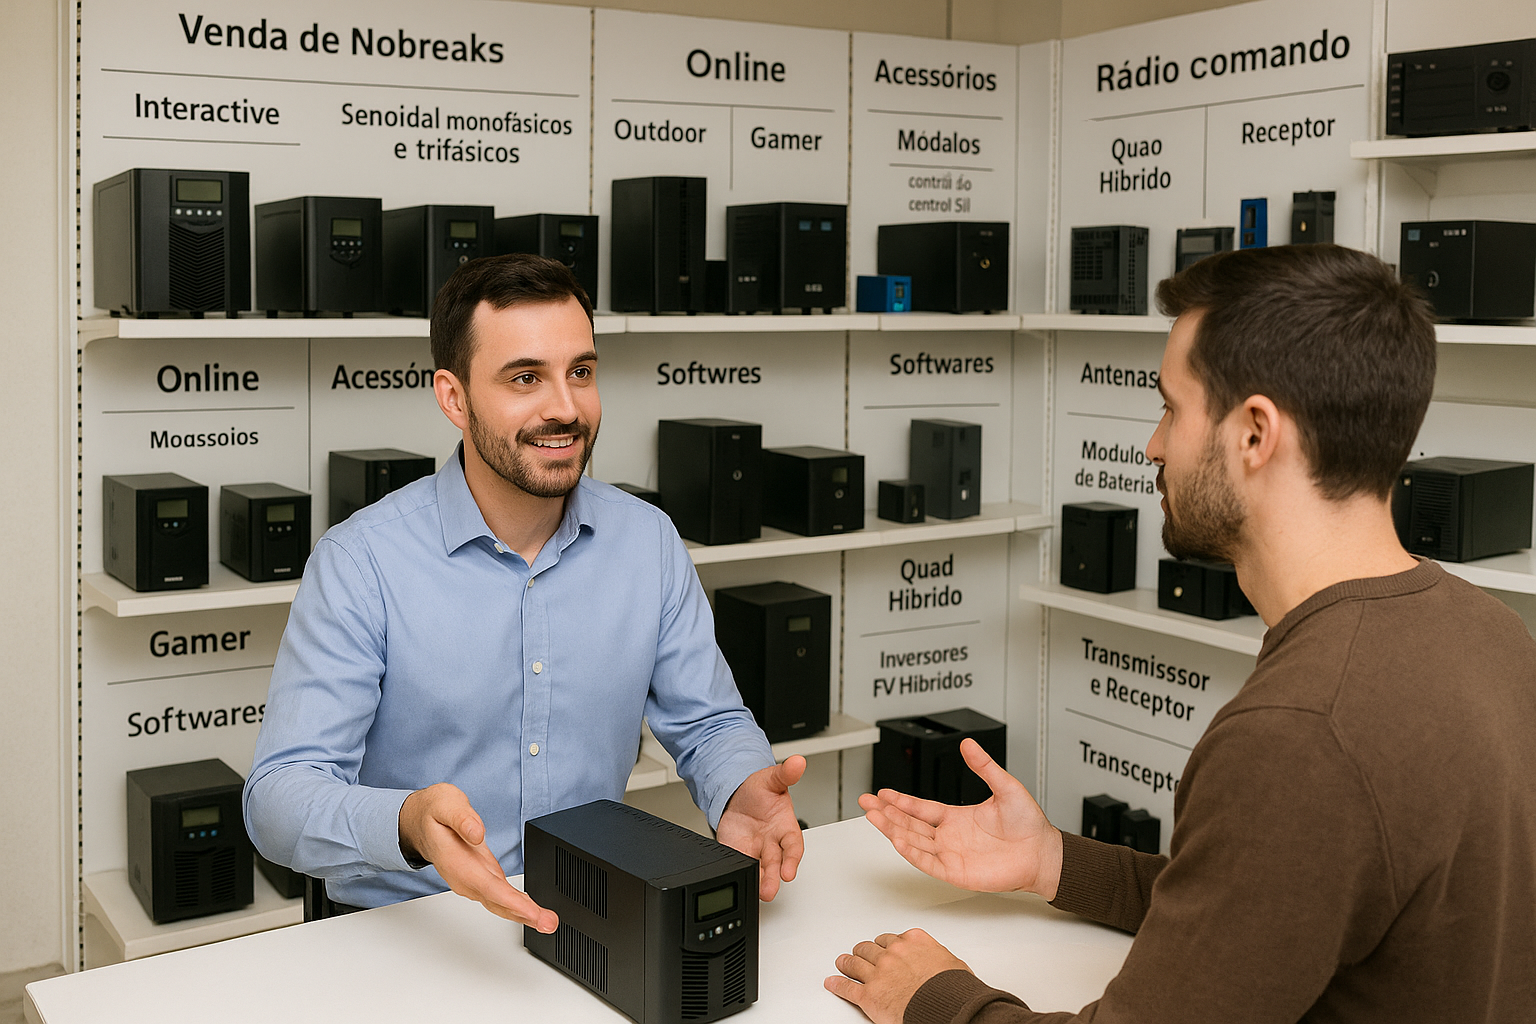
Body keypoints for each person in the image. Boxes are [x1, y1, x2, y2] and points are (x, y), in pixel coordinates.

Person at [826, 244, 1536, 1022]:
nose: (1153, 445)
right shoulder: (1493, 635)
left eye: (1172, 407)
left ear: (1255, 434)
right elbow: (1271, 910)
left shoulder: (1304, 731)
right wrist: (1051, 860)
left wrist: (934, 997)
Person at [244, 254, 805, 930]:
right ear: (454, 398)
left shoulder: (647, 541)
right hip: (415, 928)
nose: (565, 408)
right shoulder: (362, 562)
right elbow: (277, 799)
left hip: (589, 915)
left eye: (581, 372)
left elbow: (709, 722)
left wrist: (739, 786)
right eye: (525, 378)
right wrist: (409, 822)